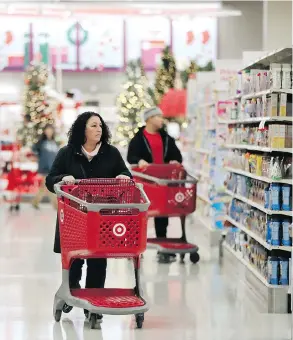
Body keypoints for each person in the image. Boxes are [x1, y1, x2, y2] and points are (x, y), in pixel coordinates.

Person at [45, 111, 131, 321]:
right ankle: (72, 289)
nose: (98, 129)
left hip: (102, 218)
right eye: (93, 125)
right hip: (74, 216)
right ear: (82, 129)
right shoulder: (67, 153)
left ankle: (94, 303)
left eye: (100, 126)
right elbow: (50, 180)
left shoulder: (111, 153)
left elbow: (126, 174)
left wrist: (123, 176)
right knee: (74, 258)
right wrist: (62, 178)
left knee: (98, 260)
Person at [127, 107, 183, 262]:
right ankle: (136, 246)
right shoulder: (138, 138)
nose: (161, 119)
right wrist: (139, 161)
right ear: (149, 118)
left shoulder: (166, 138)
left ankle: (162, 247)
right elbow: (131, 156)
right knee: (142, 215)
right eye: (158, 116)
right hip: (145, 183)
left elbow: (177, 155)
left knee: (162, 214)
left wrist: (174, 160)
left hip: (163, 182)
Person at [32, 124, 59, 210]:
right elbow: (34, 150)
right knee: (49, 186)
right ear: (44, 131)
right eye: (47, 130)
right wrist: (38, 158)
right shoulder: (41, 143)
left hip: (53, 168)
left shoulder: (55, 143)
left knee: (44, 186)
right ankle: (56, 206)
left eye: (50, 130)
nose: (49, 131)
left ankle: (35, 202)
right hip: (45, 168)